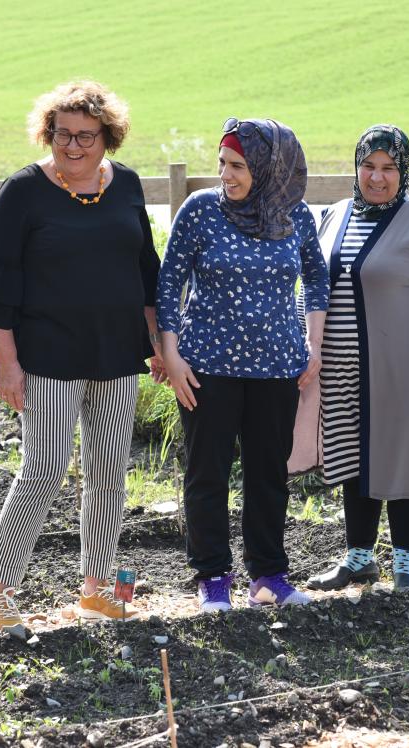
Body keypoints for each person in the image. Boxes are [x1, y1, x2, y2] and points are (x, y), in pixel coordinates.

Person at [0, 81, 161, 637]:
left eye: (86, 136)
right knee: (44, 468)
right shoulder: (23, 191)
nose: (73, 146)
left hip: (117, 354)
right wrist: (6, 363)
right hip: (46, 357)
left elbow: (146, 272)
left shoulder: (127, 187)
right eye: (63, 134)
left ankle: (96, 589)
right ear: (48, 134)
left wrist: (157, 342)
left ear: (108, 138)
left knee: (108, 473)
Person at [290, 124, 409, 592]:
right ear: (355, 167)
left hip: (404, 368)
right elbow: (312, 289)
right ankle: (358, 558)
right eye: (368, 166)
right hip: (340, 367)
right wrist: (301, 346)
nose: (377, 178)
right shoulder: (332, 215)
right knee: (354, 457)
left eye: (388, 168)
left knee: (403, 460)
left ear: (404, 171)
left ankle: (405, 565)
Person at [156, 118, 327, 613]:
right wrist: (171, 352)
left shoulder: (294, 215)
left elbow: (317, 278)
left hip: (278, 369)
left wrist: (312, 343)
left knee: (268, 473)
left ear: (269, 168)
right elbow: (169, 284)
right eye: (222, 164)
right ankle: (212, 578)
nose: (226, 175)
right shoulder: (201, 211)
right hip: (206, 367)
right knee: (207, 472)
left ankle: (269, 575)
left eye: (238, 166)